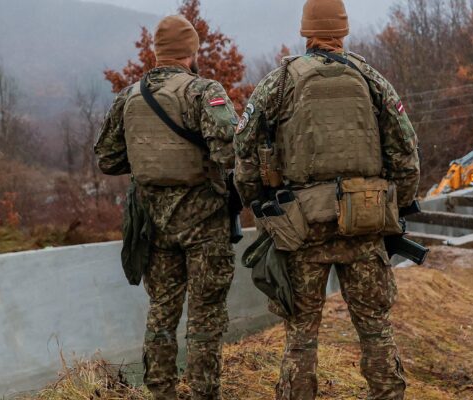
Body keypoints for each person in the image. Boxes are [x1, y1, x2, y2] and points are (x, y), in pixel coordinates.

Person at [233, 0, 420, 398]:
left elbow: (244, 150)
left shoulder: (278, 82)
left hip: (303, 230)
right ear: (344, 31)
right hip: (366, 224)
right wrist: (395, 206)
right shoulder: (372, 81)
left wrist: (261, 207)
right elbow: (406, 151)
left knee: (301, 337)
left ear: (306, 33)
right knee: (375, 330)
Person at [94, 15, 239, 400]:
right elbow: (230, 151)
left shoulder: (129, 96)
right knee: (206, 315)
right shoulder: (204, 92)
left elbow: (107, 159)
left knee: (161, 312)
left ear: (156, 52)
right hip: (205, 224)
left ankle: (161, 391)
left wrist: (148, 164)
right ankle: (204, 392)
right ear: (191, 52)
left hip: (153, 226)